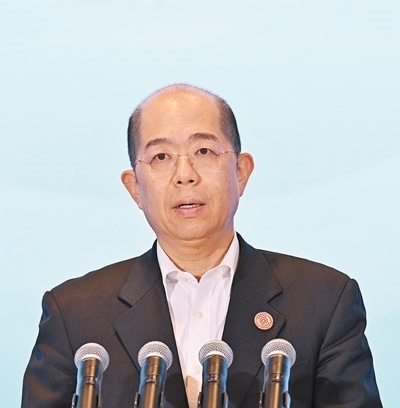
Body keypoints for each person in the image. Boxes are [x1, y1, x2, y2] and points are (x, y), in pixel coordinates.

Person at [22, 84, 382, 408]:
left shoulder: (324, 301)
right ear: (134, 188)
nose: (185, 175)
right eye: (161, 157)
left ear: (240, 171)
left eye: (204, 151)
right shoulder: (75, 313)